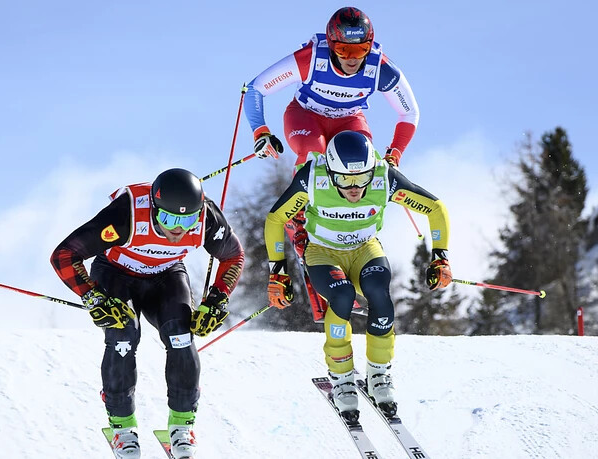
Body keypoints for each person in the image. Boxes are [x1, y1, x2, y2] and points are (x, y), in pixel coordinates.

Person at [51, 168, 244, 459]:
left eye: (186, 220)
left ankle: (182, 426)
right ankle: (122, 428)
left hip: (165, 276)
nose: (178, 230)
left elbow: (232, 255)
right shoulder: (126, 214)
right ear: (154, 208)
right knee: (124, 335)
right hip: (116, 273)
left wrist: (217, 298)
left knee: (181, 335)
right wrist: (92, 295)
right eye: (168, 219)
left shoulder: (206, 219)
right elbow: (65, 254)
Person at [263, 130, 451, 419]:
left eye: (362, 178)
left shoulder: (383, 177)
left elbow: (434, 208)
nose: (354, 188)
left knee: (380, 294)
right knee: (341, 295)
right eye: (345, 179)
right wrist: (278, 272)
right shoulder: (313, 177)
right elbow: (277, 218)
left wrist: (440, 257)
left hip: (365, 249)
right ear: (331, 171)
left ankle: (379, 373)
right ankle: (342, 376)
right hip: (323, 252)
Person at [245, 6, 419, 169]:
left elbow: (409, 112)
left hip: (349, 119)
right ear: (331, 44)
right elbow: (255, 88)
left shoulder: (381, 69)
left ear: (369, 45)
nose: (352, 59)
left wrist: (395, 153)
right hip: (305, 115)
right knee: (314, 156)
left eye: (360, 50)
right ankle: (303, 200)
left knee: (362, 162)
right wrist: (260, 132)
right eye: (343, 50)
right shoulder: (310, 60)